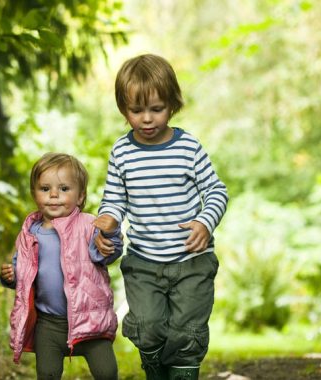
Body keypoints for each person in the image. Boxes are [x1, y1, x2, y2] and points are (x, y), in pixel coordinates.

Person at [93, 54, 229, 380]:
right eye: (136, 111)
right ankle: (155, 369)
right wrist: (108, 220)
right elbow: (114, 199)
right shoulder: (121, 153)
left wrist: (204, 222)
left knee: (186, 331)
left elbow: (216, 191)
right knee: (148, 326)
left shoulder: (188, 148)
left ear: (173, 104)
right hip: (143, 262)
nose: (147, 119)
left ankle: (182, 374)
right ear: (123, 110)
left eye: (157, 109)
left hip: (192, 260)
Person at [0, 152, 123, 380]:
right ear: (34, 194)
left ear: (80, 196)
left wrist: (111, 234)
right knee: (47, 373)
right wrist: (11, 277)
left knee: (106, 372)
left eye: (64, 189)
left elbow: (108, 253)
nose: (54, 195)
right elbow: (24, 273)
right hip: (49, 324)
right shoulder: (30, 232)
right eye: (45, 189)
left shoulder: (88, 225)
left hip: (90, 320)